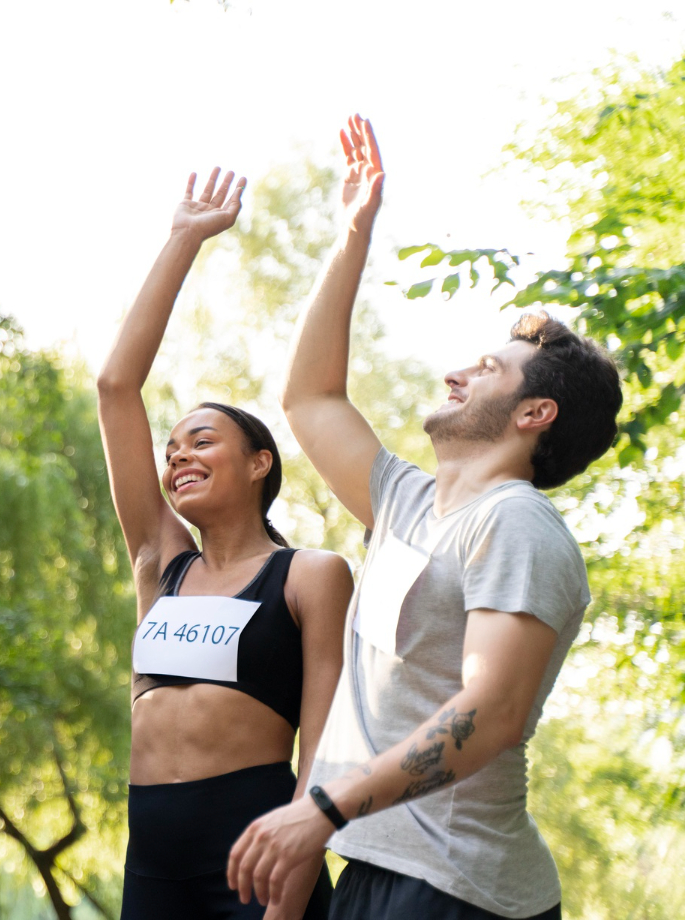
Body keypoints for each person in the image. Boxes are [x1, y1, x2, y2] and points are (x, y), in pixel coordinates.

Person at [227, 116, 623, 920]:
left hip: (458, 890)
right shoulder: (406, 503)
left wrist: (326, 806)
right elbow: (309, 397)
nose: (457, 370)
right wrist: (350, 238)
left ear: (535, 412)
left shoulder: (516, 524)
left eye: (489, 369)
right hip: (375, 865)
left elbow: (493, 713)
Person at [96, 167, 352, 920]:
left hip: (261, 856)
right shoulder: (160, 562)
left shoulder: (311, 575)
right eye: (170, 449)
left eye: (200, 440)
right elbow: (115, 387)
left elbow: (325, 742)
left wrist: (296, 879)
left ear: (258, 463)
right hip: (151, 862)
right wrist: (182, 238)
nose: (176, 457)